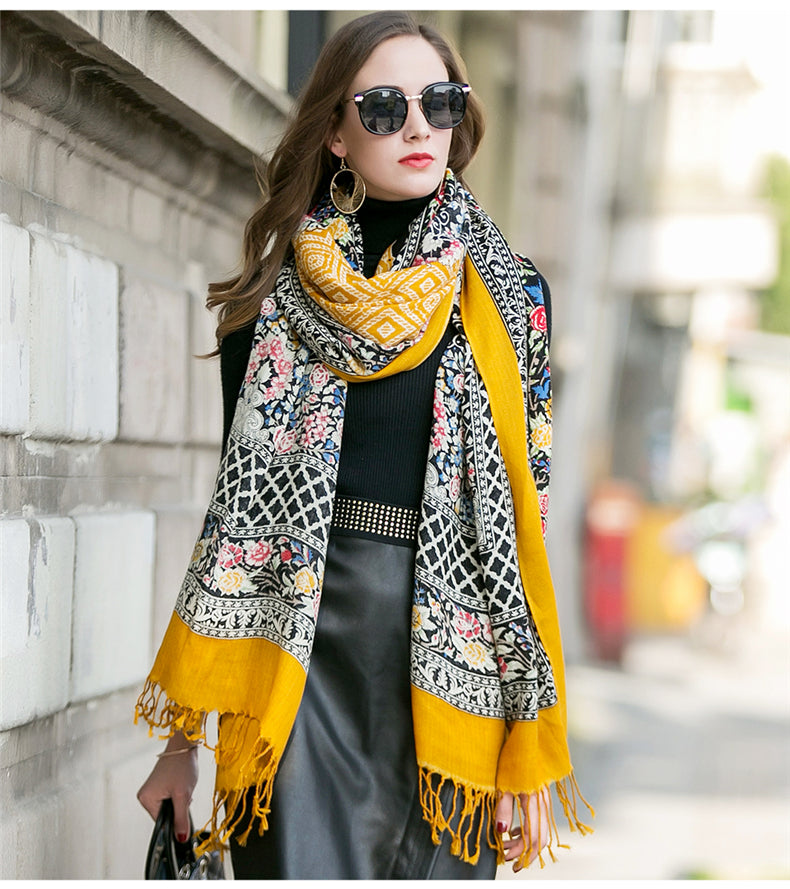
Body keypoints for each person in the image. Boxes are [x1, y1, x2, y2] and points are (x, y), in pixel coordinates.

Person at [136, 11, 592, 880]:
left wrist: (522, 747)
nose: (419, 127)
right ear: (337, 134)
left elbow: (522, 524)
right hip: (300, 659)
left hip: (455, 668)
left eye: (439, 102)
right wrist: (181, 747)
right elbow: (232, 531)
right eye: (385, 108)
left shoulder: (511, 297)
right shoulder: (269, 308)